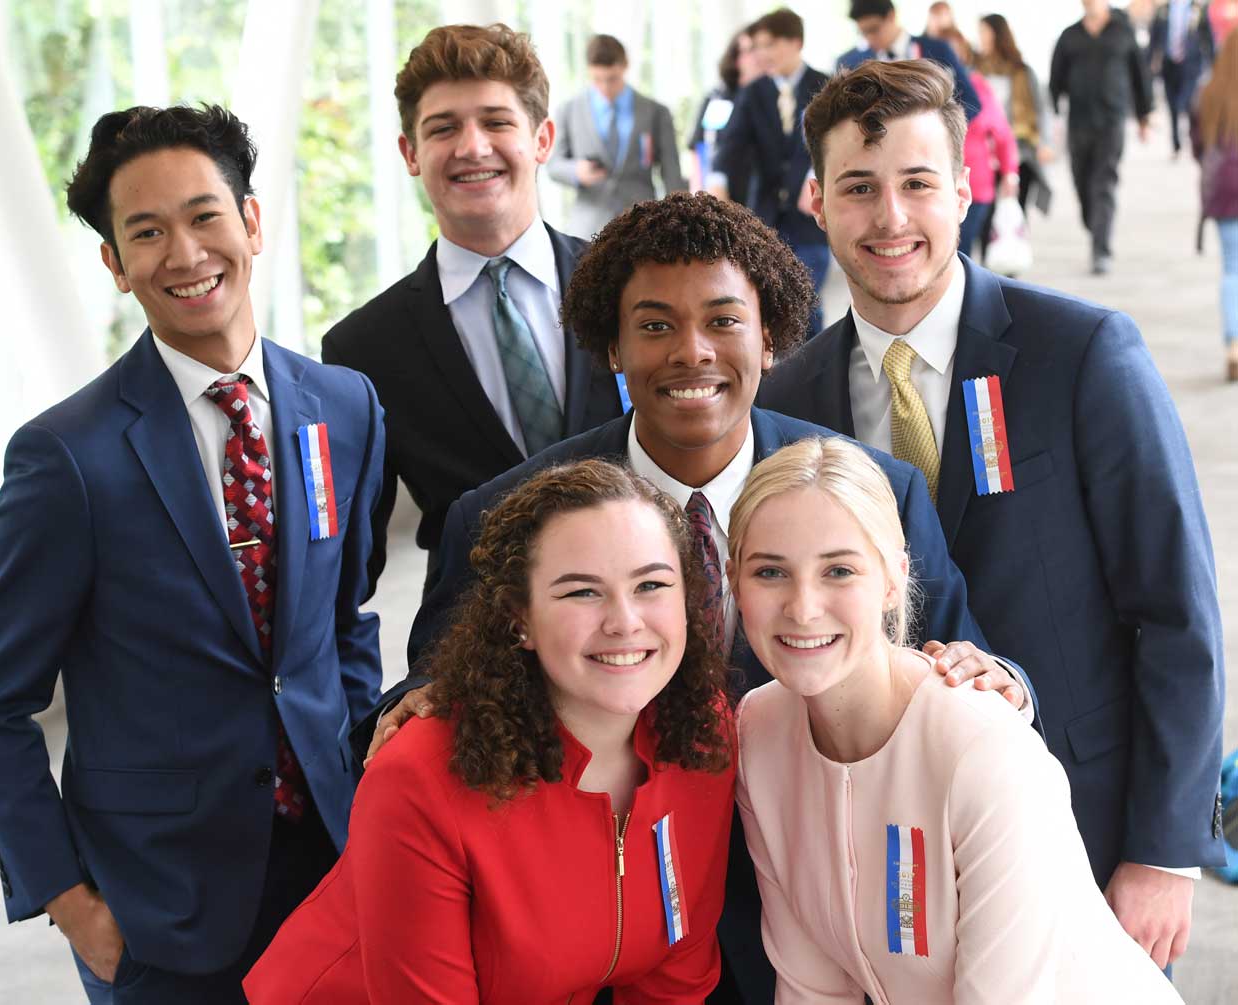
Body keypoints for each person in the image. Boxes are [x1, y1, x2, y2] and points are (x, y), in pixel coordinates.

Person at [372, 190, 1036, 1005]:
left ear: (768, 336)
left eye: (723, 320)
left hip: (826, 920)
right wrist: (407, 705)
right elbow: (442, 688)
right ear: (611, 347)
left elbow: (950, 655)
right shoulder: (509, 513)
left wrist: (997, 682)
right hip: (609, 941)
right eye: (653, 325)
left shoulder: (870, 488)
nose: (692, 352)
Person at [760, 58, 1227, 969]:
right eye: (859, 188)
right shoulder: (792, 395)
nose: (890, 219)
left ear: (967, 189)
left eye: (917, 184)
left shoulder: (1079, 353)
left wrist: (1164, 849)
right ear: (817, 201)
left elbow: (1176, 611)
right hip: (887, 860)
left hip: (1082, 834)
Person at [0, 105, 386, 1003]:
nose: (184, 254)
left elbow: (343, 618)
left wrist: (362, 779)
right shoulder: (68, 455)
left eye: (203, 216)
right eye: (147, 232)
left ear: (252, 223)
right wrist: (72, 904)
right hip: (159, 909)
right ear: (115, 265)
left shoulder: (343, 406)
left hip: (335, 863)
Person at [244, 459, 736, 1003]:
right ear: (518, 618)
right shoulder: (419, 779)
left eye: (651, 585)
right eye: (581, 592)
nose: (624, 621)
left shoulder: (701, 734)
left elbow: (676, 976)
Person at [730, 436, 1184, 1003]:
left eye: (839, 571)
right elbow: (810, 987)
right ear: (734, 582)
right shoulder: (758, 730)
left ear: (893, 578)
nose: (802, 607)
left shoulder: (984, 750)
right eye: (770, 573)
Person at [323, 24, 624, 597]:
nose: (472, 147)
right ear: (410, 153)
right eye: (443, 129)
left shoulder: (627, 285)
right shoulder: (363, 348)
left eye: (496, 121)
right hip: (476, 652)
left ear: (541, 140)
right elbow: (351, 565)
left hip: (645, 633)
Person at [709, 8, 832, 340]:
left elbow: (836, 142)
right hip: (765, 219)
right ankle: (782, 378)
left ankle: (815, 370)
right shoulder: (754, 92)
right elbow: (731, 144)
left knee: (805, 300)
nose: (762, 54)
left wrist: (817, 176)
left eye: (769, 44)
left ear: (795, 42)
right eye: (758, 46)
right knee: (771, 303)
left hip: (811, 220)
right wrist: (717, 181)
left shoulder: (827, 85)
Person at [1050, 0, 1154, 274]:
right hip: (1079, 122)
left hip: (1112, 121)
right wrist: (1052, 119)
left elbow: (1140, 75)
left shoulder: (1123, 31)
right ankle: (1094, 223)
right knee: (1082, 183)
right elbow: (1055, 80)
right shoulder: (1069, 35)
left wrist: (1144, 117)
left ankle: (1101, 249)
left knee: (1104, 182)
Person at [547, 34, 685, 240]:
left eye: (612, 79)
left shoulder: (656, 112)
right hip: (587, 230)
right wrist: (576, 171)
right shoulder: (569, 110)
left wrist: (679, 223)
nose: (605, 88)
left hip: (641, 226)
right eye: (597, 80)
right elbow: (554, 165)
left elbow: (672, 173)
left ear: (625, 66)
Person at [939, 26, 1020, 257]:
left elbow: (1002, 134)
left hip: (976, 184)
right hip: (933, 184)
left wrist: (1009, 172)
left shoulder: (978, 87)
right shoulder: (921, 91)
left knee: (960, 252)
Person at [837, 0, 981, 119]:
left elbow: (971, 102)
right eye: (862, 33)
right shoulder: (852, 62)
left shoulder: (937, 49)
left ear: (891, 16)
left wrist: (940, 130)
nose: (869, 39)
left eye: (874, 29)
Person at [975, 13, 1054, 228]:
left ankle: (1013, 252)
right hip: (985, 150)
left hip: (1020, 150)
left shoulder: (1023, 72)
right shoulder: (974, 70)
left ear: (997, 34)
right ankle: (985, 257)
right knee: (986, 212)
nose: (979, 37)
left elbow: (1042, 109)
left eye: (983, 31)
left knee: (1016, 207)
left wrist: (1045, 143)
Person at [1192, 28, 1238, 380]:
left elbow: (1198, 144)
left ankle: (1233, 343)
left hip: (1224, 189)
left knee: (1232, 268)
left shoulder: (1209, 89)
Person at [689, 27, 762, 202]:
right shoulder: (717, 97)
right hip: (720, 194)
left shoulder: (771, 97)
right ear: (736, 58)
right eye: (748, 51)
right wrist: (700, 194)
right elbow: (699, 148)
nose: (756, 57)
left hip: (758, 195)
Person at [1149, 0, 1215, 157]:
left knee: (1184, 102)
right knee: (1171, 105)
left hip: (1191, 64)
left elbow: (1208, 37)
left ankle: (1193, 135)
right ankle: (1175, 142)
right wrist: (1149, 62)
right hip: (1169, 64)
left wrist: (1214, 62)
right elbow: (1154, 38)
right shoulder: (1162, 10)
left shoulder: (1198, 9)